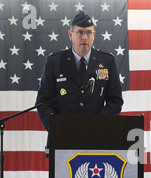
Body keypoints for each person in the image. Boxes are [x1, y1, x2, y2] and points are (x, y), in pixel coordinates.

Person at [36, 10, 123, 153]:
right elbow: (43, 102)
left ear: (94, 35)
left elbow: (115, 101)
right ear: (71, 35)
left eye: (89, 33)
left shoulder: (107, 61)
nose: (85, 37)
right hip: (61, 141)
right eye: (80, 32)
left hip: (97, 139)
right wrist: (59, 129)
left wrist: (95, 126)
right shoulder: (55, 62)